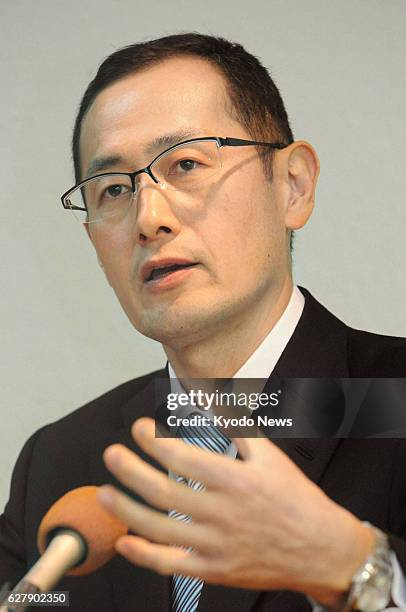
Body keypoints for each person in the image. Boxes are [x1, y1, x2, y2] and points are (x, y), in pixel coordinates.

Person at [1, 33, 406, 612]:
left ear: (293, 185)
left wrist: (358, 571)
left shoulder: (393, 401)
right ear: (93, 239)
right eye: (114, 189)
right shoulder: (62, 460)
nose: (149, 218)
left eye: (186, 164)